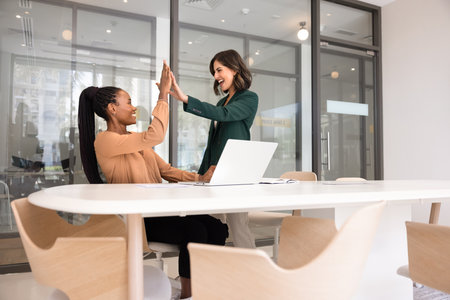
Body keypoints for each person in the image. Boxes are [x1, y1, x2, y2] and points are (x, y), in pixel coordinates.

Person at [78, 61, 228, 300]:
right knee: (196, 230)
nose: (133, 107)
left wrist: (201, 178)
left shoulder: (136, 141)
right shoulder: (105, 141)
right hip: (139, 219)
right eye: (128, 102)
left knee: (218, 228)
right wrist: (163, 95)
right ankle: (188, 294)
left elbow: (167, 171)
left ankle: (201, 285)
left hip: (159, 212)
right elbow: (155, 135)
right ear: (112, 109)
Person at [168, 49, 258, 249]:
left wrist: (186, 99)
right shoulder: (221, 101)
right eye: (214, 73)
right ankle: (209, 267)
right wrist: (200, 177)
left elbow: (223, 114)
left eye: (219, 70)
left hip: (236, 173)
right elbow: (212, 145)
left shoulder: (249, 98)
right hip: (214, 173)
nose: (216, 76)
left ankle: (254, 269)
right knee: (212, 224)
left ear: (234, 69)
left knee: (238, 226)